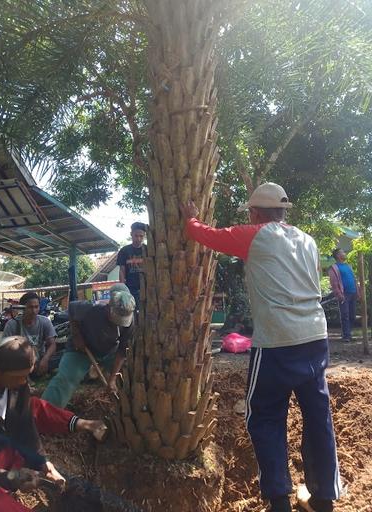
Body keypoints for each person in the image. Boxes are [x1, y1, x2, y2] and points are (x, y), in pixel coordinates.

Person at [181, 182, 342, 512]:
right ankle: (324, 498)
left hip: (277, 344)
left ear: (255, 213)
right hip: (315, 338)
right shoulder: (307, 240)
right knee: (317, 416)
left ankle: (279, 500)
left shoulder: (254, 235)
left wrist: (191, 220)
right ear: (283, 212)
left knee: (265, 417)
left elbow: (207, 236)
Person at [0, 335, 108, 512]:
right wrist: (8, 477)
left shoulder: (18, 388)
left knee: (34, 407)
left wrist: (42, 463)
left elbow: (26, 427)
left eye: (26, 376)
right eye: (18, 377)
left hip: (5, 454)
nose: (24, 382)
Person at [42, 283, 135, 408]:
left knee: (130, 375)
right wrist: (76, 335)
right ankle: (45, 412)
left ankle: (126, 410)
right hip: (81, 348)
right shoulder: (92, 309)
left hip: (109, 352)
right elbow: (72, 308)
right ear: (108, 307)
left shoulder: (130, 321)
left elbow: (122, 351)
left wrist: (112, 379)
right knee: (66, 379)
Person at [3, 292, 59, 377]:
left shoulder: (44, 321)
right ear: (22, 308)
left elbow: (52, 344)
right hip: (20, 362)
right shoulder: (12, 324)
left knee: (66, 356)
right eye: (30, 307)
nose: (34, 311)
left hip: (40, 360)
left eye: (36, 307)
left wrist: (45, 359)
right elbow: (5, 350)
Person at [328, 248, 359, 342]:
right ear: (338, 255)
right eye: (343, 252)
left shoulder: (348, 266)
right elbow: (334, 283)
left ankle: (347, 332)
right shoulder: (334, 267)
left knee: (352, 315)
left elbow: (354, 279)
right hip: (344, 294)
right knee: (345, 315)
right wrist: (339, 294)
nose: (345, 253)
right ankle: (346, 336)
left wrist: (358, 291)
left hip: (353, 292)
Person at [116, 222, 147, 310]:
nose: (138, 239)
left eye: (141, 236)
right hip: (130, 288)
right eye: (136, 236)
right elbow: (122, 270)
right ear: (131, 235)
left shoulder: (148, 250)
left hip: (146, 287)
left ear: (144, 236)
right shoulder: (124, 251)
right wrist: (123, 289)